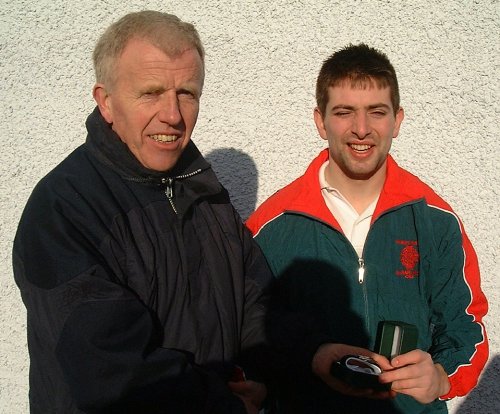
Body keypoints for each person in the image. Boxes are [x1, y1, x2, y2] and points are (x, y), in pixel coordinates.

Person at [13, 11, 273, 414]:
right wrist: (224, 403)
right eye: (151, 92)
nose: (173, 114)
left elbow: (256, 298)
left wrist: (286, 365)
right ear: (106, 102)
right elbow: (109, 371)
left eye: (187, 92)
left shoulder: (204, 191)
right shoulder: (64, 208)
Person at [246, 43, 489, 413]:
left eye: (376, 112)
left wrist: (441, 376)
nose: (361, 129)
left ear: (397, 119)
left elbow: (467, 326)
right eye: (344, 112)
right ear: (320, 120)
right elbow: (248, 334)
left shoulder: (436, 220)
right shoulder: (270, 227)